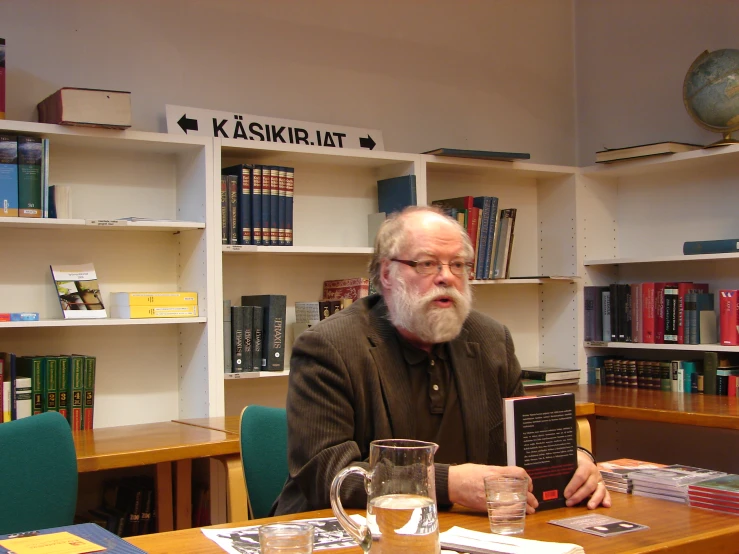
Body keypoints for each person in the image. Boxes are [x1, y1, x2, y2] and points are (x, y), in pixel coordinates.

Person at [273, 206, 610, 515]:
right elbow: (328, 474)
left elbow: (523, 439)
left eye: (458, 264)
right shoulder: (329, 347)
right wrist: (449, 484)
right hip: (350, 533)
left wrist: (573, 461)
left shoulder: (491, 340)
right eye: (427, 263)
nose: (446, 276)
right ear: (387, 274)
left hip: (467, 531)